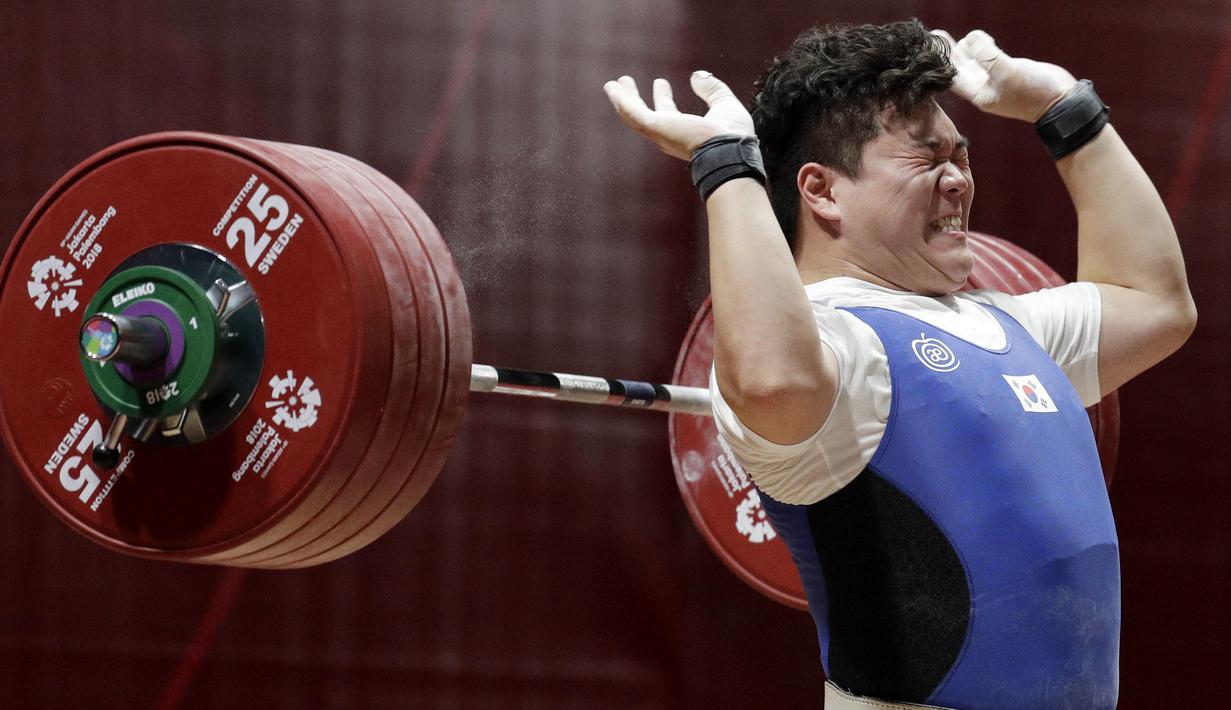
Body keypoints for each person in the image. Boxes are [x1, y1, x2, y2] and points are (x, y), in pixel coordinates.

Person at [604, 19, 1195, 710]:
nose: (958, 182)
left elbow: (1154, 302)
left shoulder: (1007, 324)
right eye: (927, 159)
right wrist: (728, 167)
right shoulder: (837, 350)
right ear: (821, 190)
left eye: (962, 156)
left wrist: (1064, 110)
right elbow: (771, 379)